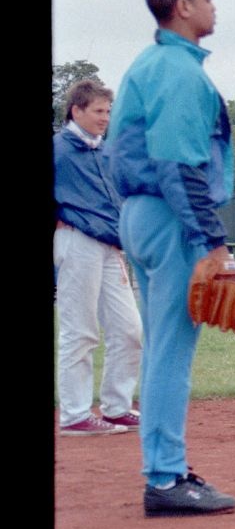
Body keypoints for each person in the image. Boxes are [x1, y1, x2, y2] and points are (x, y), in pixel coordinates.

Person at [106, 0, 235, 516]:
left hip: (140, 215)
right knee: (170, 353)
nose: (214, 6)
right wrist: (211, 242)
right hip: (170, 215)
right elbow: (177, 164)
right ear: (182, 7)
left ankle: (166, 469)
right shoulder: (180, 72)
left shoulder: (149, 63)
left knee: (161, 346)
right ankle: (164, 479)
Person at [54, 77, 145, 436]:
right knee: (80, 330)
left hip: (109, 245)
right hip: (76, 241)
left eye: (108, 110)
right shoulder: (60, 150)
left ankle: (116, 407)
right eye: (98, 110)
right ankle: (75, 414)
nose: (105, 117)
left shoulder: (104, 150)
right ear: (76, 110)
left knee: (129, 329)